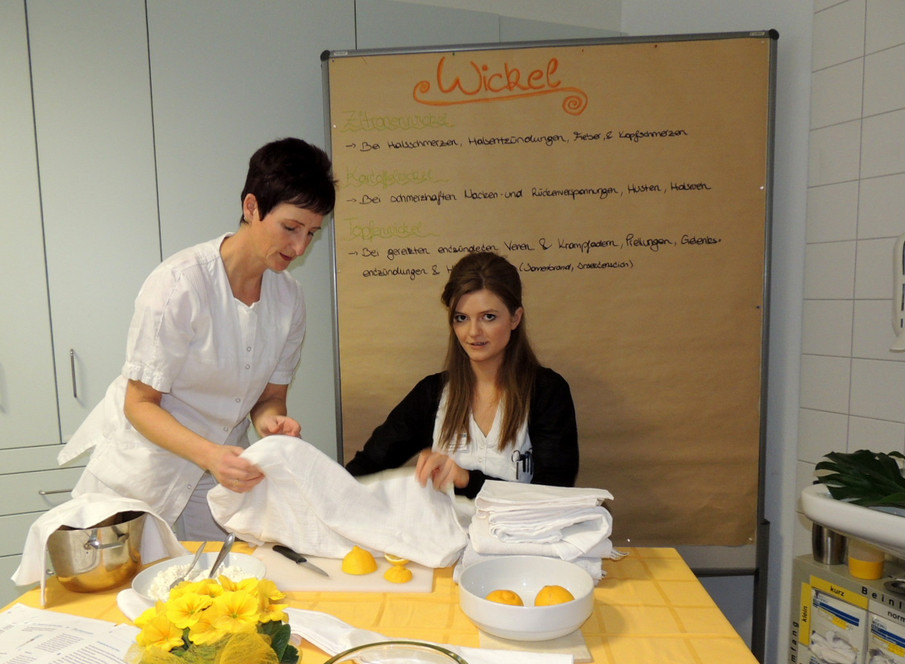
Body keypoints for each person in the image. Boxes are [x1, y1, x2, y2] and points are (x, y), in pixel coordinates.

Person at [58, 138, 336, 538]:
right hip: (145, 472)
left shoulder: (289, 299)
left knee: (224, 576)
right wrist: (210, 455)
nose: (299, 246)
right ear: (252, 207)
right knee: (133, 576)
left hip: (219, 476)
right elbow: (139, 404)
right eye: (290, 228)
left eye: (311, 233)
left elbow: (270, 397)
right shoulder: (181, 283)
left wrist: (271, 421)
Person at [346, 251, 578, 498]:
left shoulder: (547, 392)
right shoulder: (431, 394)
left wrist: (467, 479)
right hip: (445, 524)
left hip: (522, 525)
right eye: (462, 318)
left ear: (515, 318)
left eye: (488, 317)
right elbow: (367, 466)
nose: (473, 332)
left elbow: (554, 492)